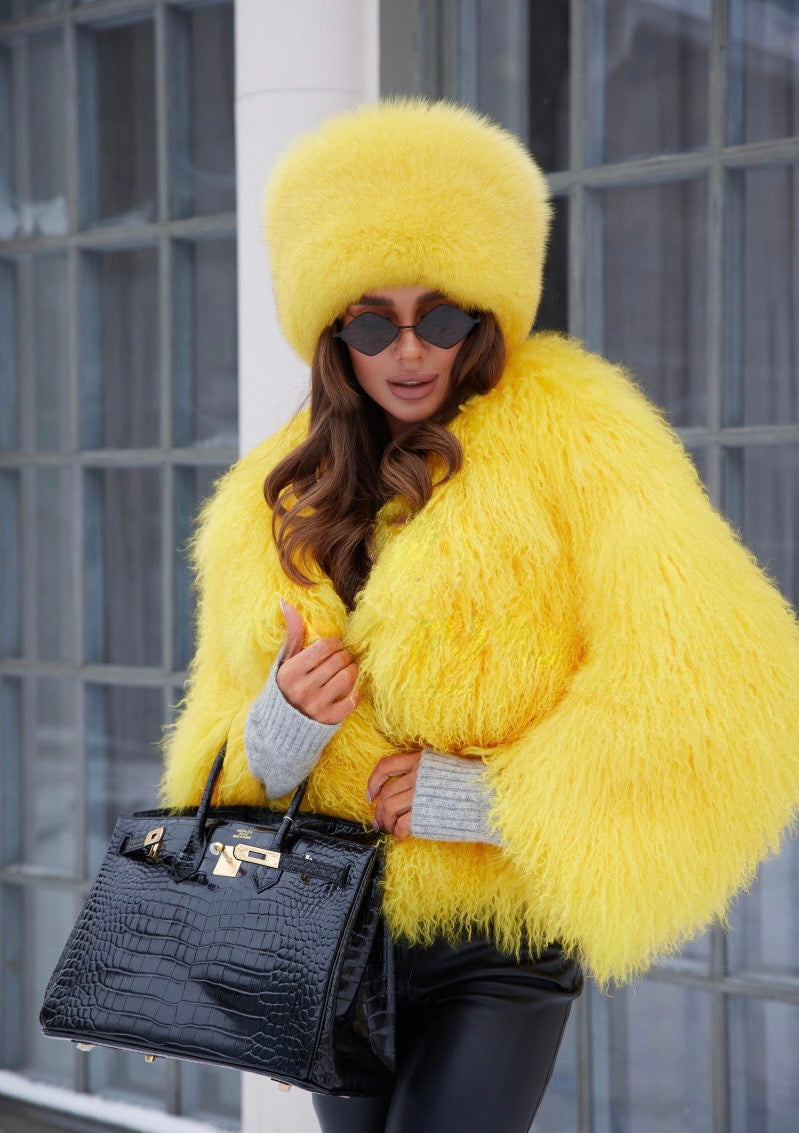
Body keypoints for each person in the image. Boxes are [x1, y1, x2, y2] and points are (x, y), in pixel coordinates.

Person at [160, 100, 799, 1132]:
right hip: (328, 928)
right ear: (333, 332)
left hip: (493, 942)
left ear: (484, 315)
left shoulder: (578, 441)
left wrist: (489, 800)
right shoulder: (271, 497)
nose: (410, 351)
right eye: (374, 322)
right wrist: (280, 728)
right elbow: (210, 746)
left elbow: (720, 684)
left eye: (443, 316)